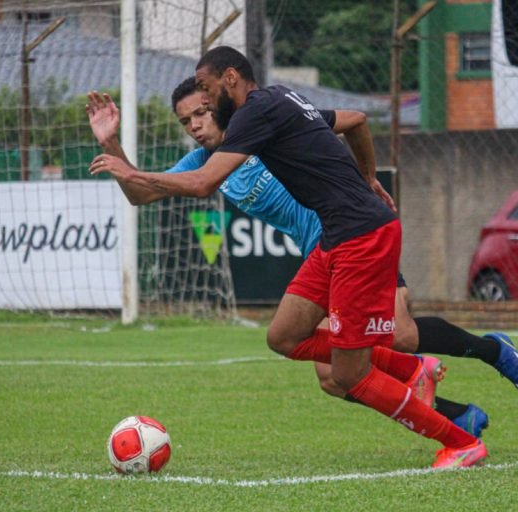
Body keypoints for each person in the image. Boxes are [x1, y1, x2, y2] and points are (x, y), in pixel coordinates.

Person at [89, 46, 491, 469]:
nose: (196, 120)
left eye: (203, 104)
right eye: (186, 119)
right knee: (286, 339)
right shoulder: (239, 131)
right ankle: (423, 379)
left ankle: (462, 428)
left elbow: (205, 183)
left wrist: (367, 181)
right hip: (332, 241)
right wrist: (111, 144)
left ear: (227, 83)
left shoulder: (256, 115)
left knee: (353, 369)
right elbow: (143, 194)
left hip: (357, 235)